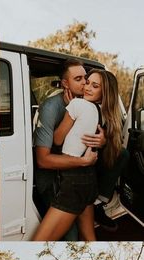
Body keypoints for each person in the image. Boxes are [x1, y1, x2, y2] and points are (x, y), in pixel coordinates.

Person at [34, 59, 128, 237]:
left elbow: (58, 139)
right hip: (82, 180)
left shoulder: (79, 104)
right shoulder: (56, 106)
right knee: (87, 237)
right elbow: (44, 160)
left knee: (65, 238)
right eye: (80, 79)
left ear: (103, 92)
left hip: (74, 181)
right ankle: (100, 202)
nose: (85, 85)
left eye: (90, 82)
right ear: (65, 84)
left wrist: (103, 142)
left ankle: (98, 204)